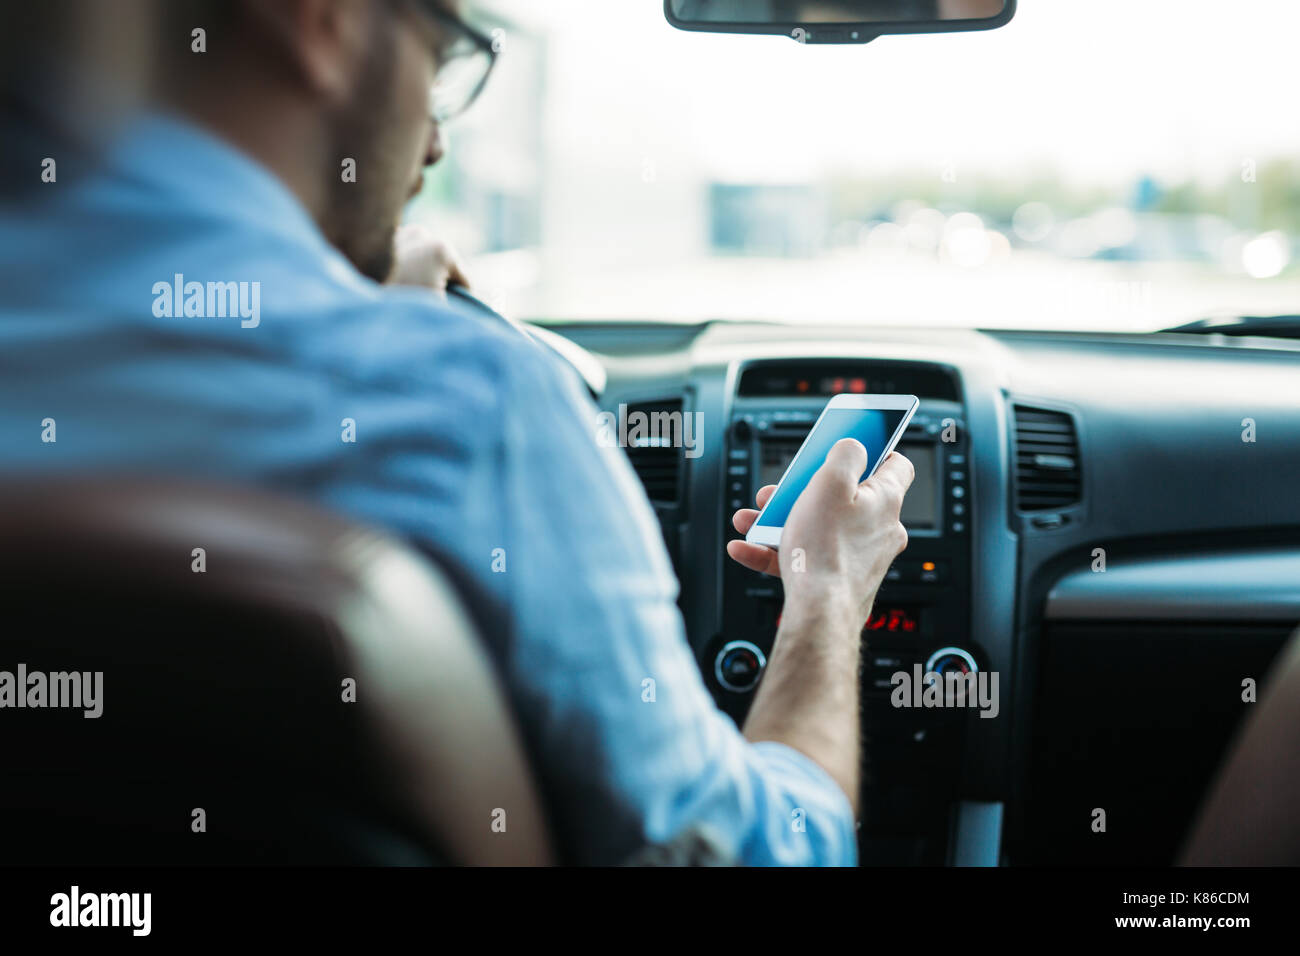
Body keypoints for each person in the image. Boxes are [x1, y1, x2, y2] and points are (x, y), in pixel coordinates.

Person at [0, 0, 913, 865]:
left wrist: (352, 299)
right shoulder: (467, 406)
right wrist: (826, 589)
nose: (435, 140)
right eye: (440, 60)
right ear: (320, 18)